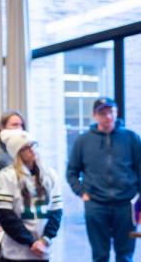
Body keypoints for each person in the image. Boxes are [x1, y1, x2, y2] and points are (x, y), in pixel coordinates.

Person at [66, 97, 141, 262]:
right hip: (96, 206)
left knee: (125, 256)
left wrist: (139, 200)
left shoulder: (131, 138)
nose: (108, 116)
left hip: (126, 206)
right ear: (95, 116)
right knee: (100, 256)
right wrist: (82, 193)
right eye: (103, 113)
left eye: (111, 112)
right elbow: (71, 172)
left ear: (116, 113)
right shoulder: (83, 141)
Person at [0, 129, 62, 262]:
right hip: (16, 253)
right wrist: (31, 242)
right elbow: (6, 216)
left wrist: (44, 240)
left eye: (33, 144)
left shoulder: (50, 175)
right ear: (17, 153)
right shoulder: (7, 176)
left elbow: (56, 211)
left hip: (42, 251)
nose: (32, 149)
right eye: (26, 147)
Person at [0, 111, 26, 234]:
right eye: (14, 125)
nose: (19, 128)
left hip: (25, 214)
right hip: (5, 215)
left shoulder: (26, 154)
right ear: (3, 128)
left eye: (21, 125)